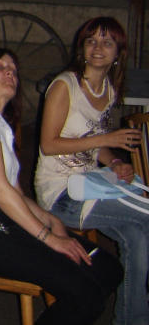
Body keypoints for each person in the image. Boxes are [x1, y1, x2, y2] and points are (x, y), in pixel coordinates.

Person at [0, 48, 121, 325]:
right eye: (0, 66)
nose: (9, 72)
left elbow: (15, 192)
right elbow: (0, 190)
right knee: (84, 293)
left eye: (14, 70)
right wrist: (48, 238)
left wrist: (51, 221)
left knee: (107, 268)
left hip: (0, 222)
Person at [35, 16, 148, 325]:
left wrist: (115, 162)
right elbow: (48, 144)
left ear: (118, 53)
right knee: (147, 215)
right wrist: (107, 139)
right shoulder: (65, 86)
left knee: (138, 235)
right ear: (82, 48)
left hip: (88, 184)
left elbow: (92, 145)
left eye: (107, 42)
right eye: (91, 41)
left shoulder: (107, 90)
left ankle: (133, 319)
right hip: (61, 195)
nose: (98, 48)